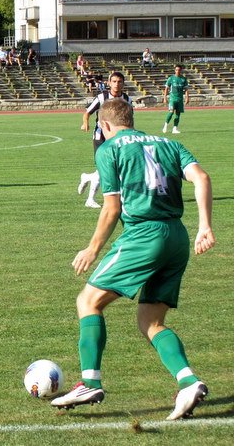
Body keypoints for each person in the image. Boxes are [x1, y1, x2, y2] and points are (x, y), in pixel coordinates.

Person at [51, 99, 214, 421]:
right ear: (132, 119)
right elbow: (203, 178)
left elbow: (111, 208)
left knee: (88, 302)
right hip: (178, 238)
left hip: (144, 236)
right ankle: (188, 382)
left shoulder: (109, 149)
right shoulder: (170, 143)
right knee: (151, 322)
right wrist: (205, 227)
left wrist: (92, 249)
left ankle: (89, 382)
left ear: (104, 125)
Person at [78, 71, 130, 209]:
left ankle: (87, 178)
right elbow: (87, 112)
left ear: (123, 84)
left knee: (114, 168)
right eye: (114, 81)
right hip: (100, 137)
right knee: (104, 168)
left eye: (119, 82)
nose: (116, 84)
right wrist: (85, 123)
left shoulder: (126, 99)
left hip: (117, 138)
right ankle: (90, 199)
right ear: (109, 83)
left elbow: (130, 118)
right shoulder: (102, 97)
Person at [162, 65, 190, 134]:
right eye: (176, 70)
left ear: (181, 71)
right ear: (175, 70)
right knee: (171, 112)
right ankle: (165, 125)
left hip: (180, 99)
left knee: (178, 114)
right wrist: (165, 98)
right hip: (172, 99)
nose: (177, 71)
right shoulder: (171, 78)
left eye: (179, 70)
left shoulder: (183, 79)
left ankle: (175, 128)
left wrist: (187, 98)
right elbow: (166, 89)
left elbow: (186, 89)